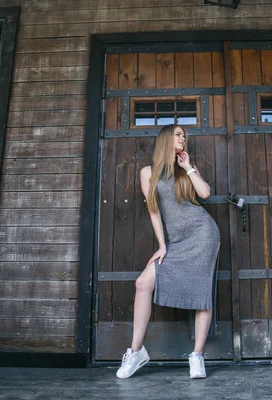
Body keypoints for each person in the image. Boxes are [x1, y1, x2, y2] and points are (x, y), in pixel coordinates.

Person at [116, 124, 220, 379]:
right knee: (142, 283)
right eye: (177, 134)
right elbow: (154, 210)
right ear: (165, 140)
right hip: (176, 241)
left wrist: (189, 168)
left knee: (201, 291)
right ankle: (136, 351)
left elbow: (205, 193)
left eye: (184, 135)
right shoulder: (148, 173)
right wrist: (163, 246)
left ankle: (197, 356)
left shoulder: (184, 171)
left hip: (203, 234)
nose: (182, 137)